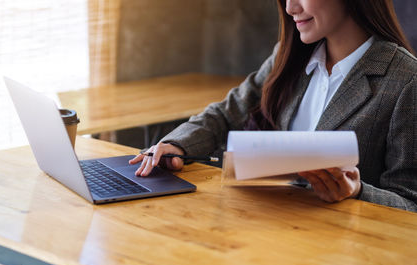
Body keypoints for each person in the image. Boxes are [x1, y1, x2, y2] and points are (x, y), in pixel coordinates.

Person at [129, 0, 417, 212]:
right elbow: (226, 114)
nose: (290, 7)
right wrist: (177, 144)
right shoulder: (289, 56)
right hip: (272, 225)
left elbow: (410, 203)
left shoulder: (405, 80)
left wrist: (357, 191)